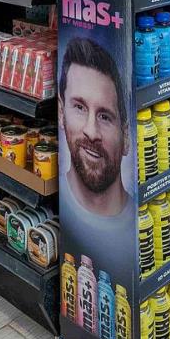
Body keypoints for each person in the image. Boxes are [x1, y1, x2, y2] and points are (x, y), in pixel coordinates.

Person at [59, 37, 132, 232]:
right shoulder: (55, 206)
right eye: (79, 107)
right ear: (61, 112)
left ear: (126, 137)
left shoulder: (142, 222)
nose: (91, 132)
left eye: (105, 117)